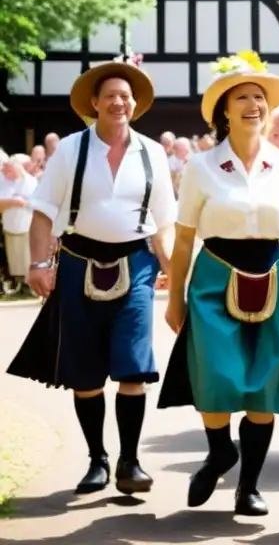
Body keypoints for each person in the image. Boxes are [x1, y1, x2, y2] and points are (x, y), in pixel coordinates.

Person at [157, 50, 279, 516]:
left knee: (264, 387)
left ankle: (248, 486)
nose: (253, 104)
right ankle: (219, 450)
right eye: (243, 97)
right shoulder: (201, 167)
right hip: (213, 277)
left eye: (259, 97)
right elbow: (185, 238)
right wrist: (175, 297)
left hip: (271, 274)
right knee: (216, 375)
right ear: (224, 110)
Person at [7, 53, 176, 496]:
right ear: (95, 104)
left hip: (136, 263)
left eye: (126, 96)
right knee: (85, 373)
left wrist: (175, 270)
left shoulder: (153, 153)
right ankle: (97, 458)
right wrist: (40, 264)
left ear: (135, 105)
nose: (119, 103)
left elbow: (165, 220)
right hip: (78, 259)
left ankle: (130, 462)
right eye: (110, 96)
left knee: (133, 367)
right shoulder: (70, 149)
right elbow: (42, 213)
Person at [0, 153, 37, 293]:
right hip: (10, 224)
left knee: (26, 256)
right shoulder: (5, 182)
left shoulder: (30, 182)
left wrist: (17, 202)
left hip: (26, 224)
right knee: (15, 257)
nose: (6, 172)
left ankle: (29, 285)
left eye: (9, 169)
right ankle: (19, 282)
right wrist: (13, 202)